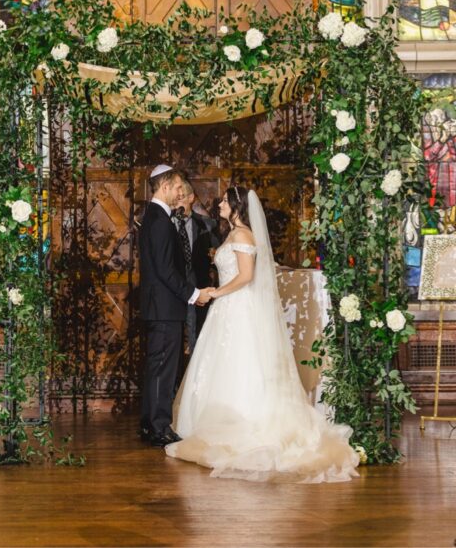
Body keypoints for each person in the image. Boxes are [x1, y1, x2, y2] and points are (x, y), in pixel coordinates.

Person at [166, 186, 360, 482]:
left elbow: (246, 277)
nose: (219, 204)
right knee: (222, 363)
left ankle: (244, 422)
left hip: (238, 305)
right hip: (227, 308)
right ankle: (208, 422)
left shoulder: (243, 235)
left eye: (224, 201)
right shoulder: (232, 234)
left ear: (236, 206)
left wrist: (217, 292)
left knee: (241, 361)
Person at [137, 165, 210, 447]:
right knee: (163, 369)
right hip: (165, 309)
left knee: (158, 367)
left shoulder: (156, 217)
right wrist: (193, 295)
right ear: (165, 185)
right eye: (179, 187)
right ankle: (158, 428)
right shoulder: (159, 221)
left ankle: (149, 423)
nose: (182, 193)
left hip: (161, 308)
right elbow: (166, 271)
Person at [172, 179, 219, 355]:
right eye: (174, 198)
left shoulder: (208, 224)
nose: (177, 202)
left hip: (200, 292)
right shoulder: (166, 224)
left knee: (198, 344)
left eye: (181, 197)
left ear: (191, 197)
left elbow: (217, 256)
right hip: (173, 293)